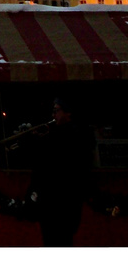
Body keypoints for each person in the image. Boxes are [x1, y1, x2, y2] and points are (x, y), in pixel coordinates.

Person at [29, 96, 92, 247]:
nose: (53, 115)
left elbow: (61, 160)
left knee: (62, 242)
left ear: (68, 113)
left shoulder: (75, 134)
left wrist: (41, 141)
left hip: (65, 203)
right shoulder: (55, 134)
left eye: (56, 111)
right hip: (49, 203)